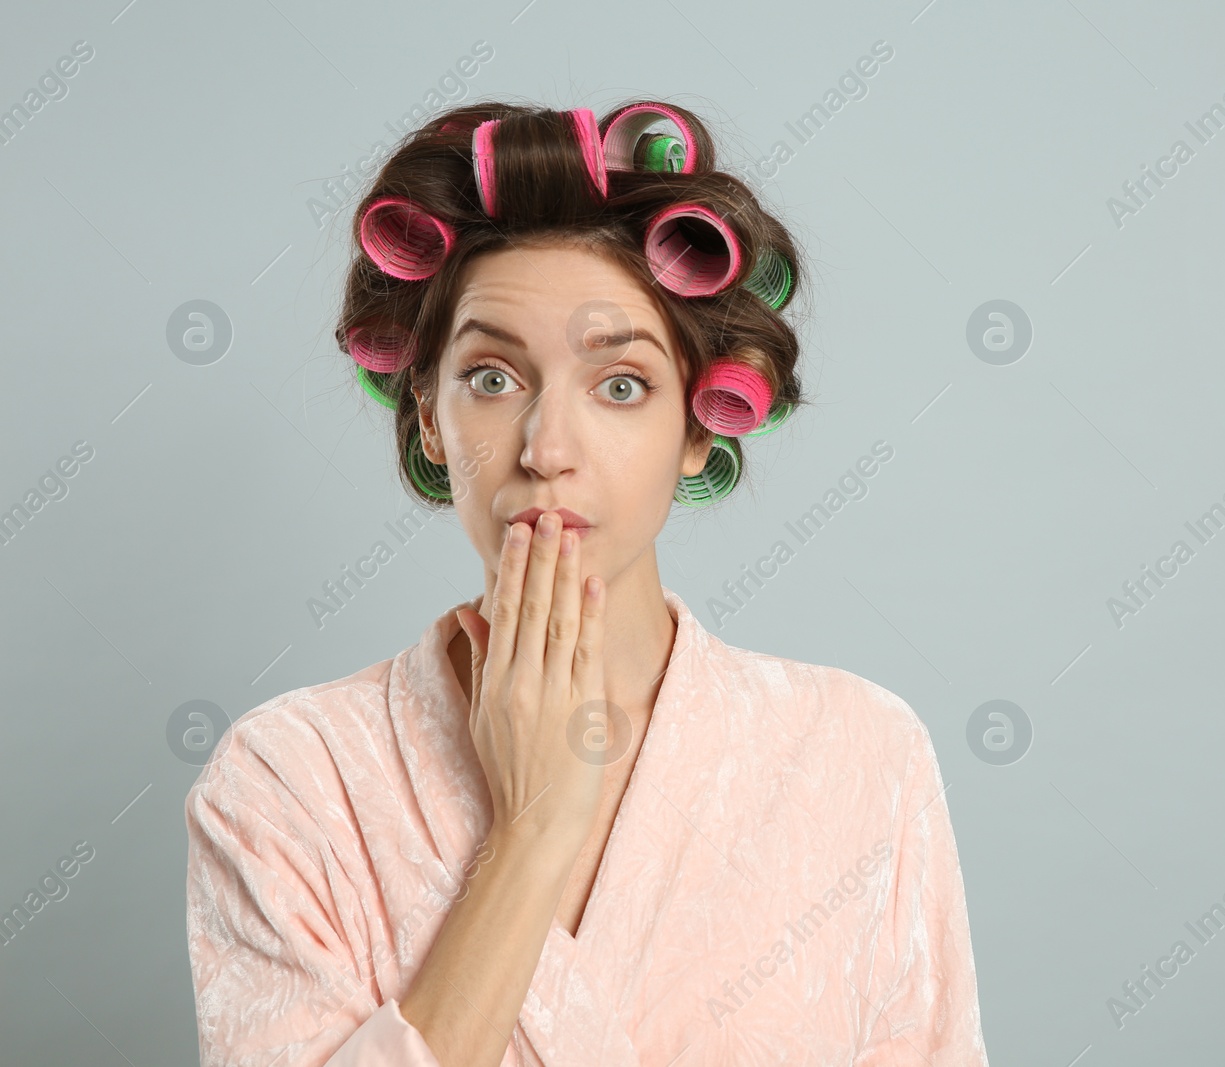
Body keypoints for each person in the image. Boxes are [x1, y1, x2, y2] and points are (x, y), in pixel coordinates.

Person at [184, 99, 988, 1067]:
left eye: (619, 385)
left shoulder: (860, 753)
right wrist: (530, 830)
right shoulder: (290, 778)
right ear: (429, 415)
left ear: (697, 426)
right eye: (490, 377)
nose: (546, 448)